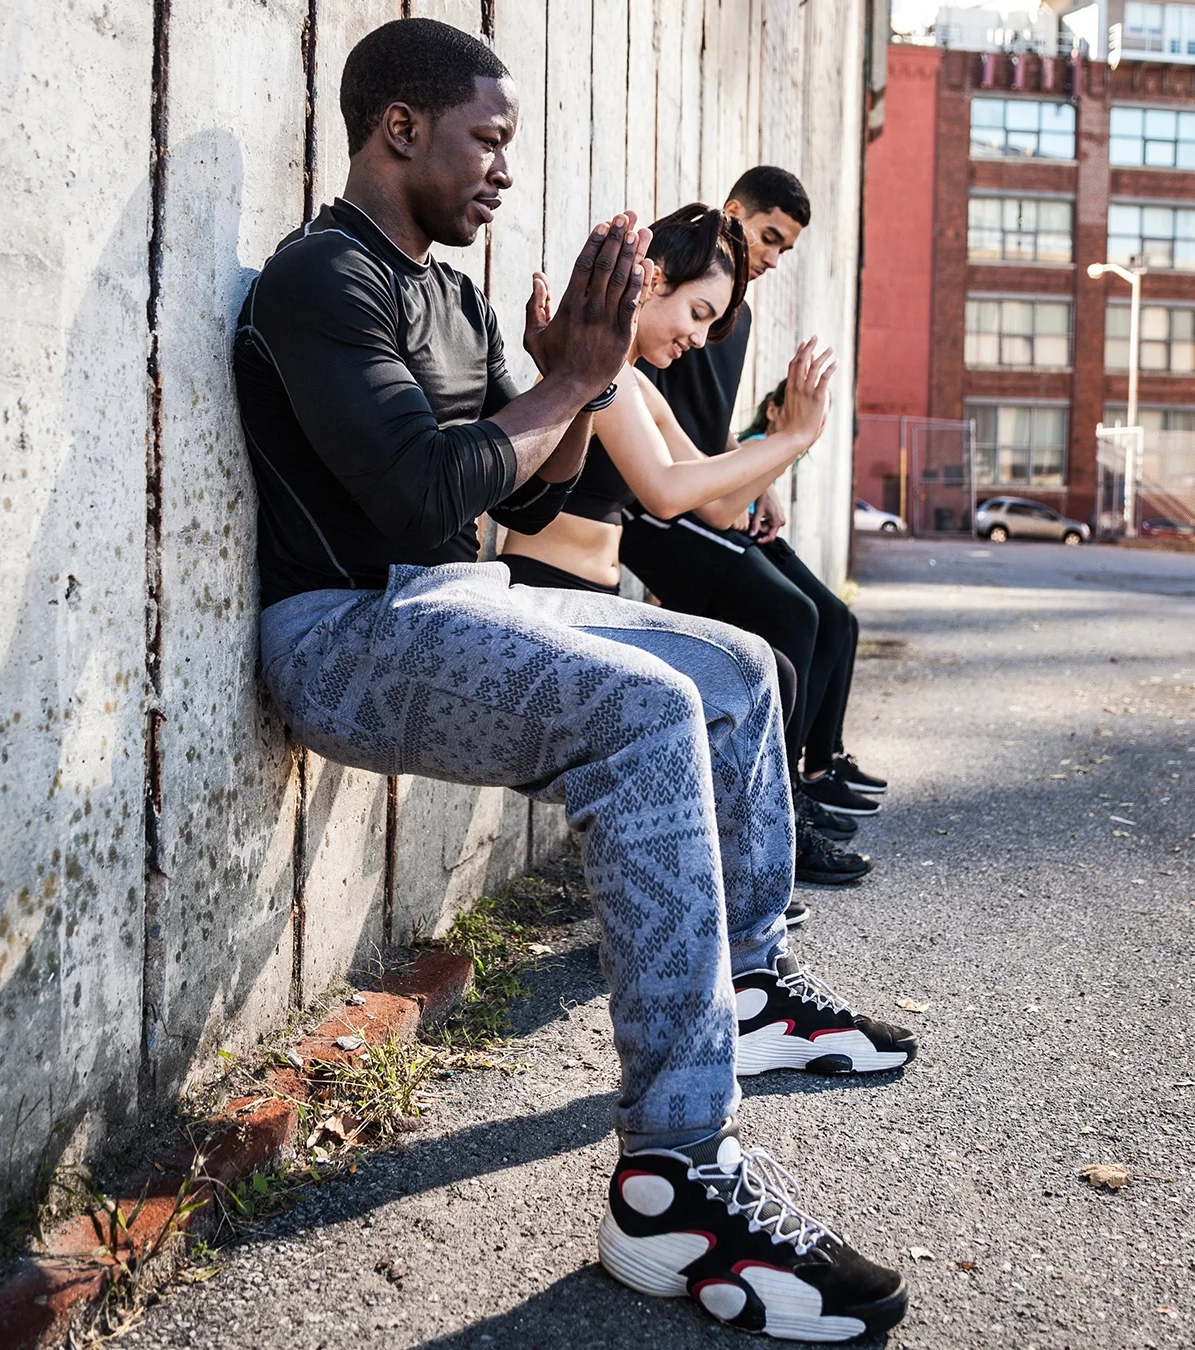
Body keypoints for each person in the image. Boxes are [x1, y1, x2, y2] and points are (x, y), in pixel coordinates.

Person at [232, 20, 910, 1342]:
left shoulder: (457, 296)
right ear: (401, 129)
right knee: (646, 711)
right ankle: (676, 1185)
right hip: (342, 632)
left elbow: (528, 492)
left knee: (738, 664)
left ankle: (745, 985)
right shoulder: (322, 277)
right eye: (486, 140)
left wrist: (564, 390)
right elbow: (423, 491)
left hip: (458, 602)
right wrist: (573, 384)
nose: (503, 168)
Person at [493, 204, 871, 892]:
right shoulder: (601, 370)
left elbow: (719, 506)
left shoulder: (637, 384)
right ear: (654, 280)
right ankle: (741, 875)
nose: (700, 338)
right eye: (697, 314)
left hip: (594, 602)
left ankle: (738, 871)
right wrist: (789, 438)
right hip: (547, 596)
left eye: (712, 324)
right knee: (762, 675)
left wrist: (785, 442)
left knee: (767, 673)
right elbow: (665, 491)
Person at [623, 167, 890, 823]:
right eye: (770, 237)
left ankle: (806, 779)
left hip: (697, 486)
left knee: (832, 617)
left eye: (785, 249)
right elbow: (662, 475)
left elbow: (699, 434)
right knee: (794, 618)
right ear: (733, 213)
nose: (773, 257)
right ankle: (779, 809)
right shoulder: (657, 320)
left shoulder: (726, 318)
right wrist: (783, 443)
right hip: (653, 501)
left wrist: (762, 477)